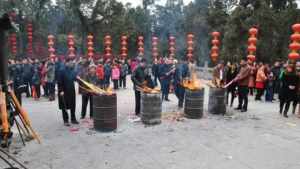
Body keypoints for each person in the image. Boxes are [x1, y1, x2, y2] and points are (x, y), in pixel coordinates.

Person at [57, 58, 79, 126]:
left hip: (71, 90)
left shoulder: (72, 70)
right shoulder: (61, 70)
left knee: (73, 105)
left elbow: (74, 78)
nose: (72, 64)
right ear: (66, 62)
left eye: (72, 63)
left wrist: (77, 78)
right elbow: (59, 82)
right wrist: (61, 90)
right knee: (64, 106)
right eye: (70, 62)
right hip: (64, 91)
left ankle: (73, 119)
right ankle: (65, 120)